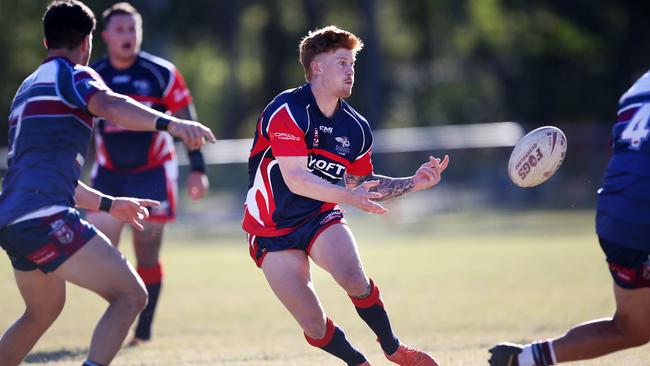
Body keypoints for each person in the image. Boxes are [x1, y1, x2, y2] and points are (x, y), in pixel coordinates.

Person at [0, 1, 215, 365]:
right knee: (131, 296)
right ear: (87, 43)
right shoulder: (73, 75)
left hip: (12, 218)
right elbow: (111, 106)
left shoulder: (27, 88)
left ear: (45, 41)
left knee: (42, 311)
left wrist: (109, 204)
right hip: (45, 217)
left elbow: (54, 177)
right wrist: (171, 124)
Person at [242, 25, 449, 366]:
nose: (350, 70)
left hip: (318, 216)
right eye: (342, 62)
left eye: (352, 63)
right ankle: (358, 363)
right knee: (313, 323)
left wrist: (415, 182)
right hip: (269, 228)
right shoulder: (288, 110)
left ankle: (393, 347)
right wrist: (347, 195)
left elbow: (361, 184)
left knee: (354, 278)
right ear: (317, 67)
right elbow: (296, 179)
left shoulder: (356, 127)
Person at [488, 71, 650, 365]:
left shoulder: (637, 87)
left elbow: (625, 154)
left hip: (616, 212)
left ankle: (524, 360)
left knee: (633, 327)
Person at [85, 2, 209, 346]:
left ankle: (142, 330)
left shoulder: (161, 72)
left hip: (152, 174)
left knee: (147, 249)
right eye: (120, 30)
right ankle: (121, 308)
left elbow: (188, 120)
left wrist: (198, 170)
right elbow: (82, 128)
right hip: (109, 175)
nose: (128, 36)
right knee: (98, 251)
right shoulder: (91, 75)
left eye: (133, 29)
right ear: (106, 36)